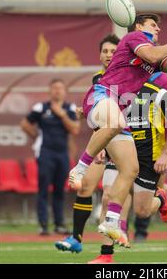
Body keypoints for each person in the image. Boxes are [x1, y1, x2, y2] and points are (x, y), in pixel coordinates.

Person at [68, 13, 167, 243]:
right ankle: (79, 169)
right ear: (139, 26)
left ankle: (112, 221)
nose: (157, 29)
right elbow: (152, 53)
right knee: (117, 123)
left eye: (158, 27)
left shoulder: (155, 64)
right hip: (102, 96)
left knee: (130, 170)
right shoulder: (135, 38)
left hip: (126, 128)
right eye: (153, 25)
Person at [55, 34, 133, 253]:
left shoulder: (128, 75)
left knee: (112, 194)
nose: (108, 55)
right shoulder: (98, 80)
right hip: (105, 140)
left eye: (112, 51)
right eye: (105, 51)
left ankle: (115, 237)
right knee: (85, 186)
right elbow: (102, 115)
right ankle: (76, 239)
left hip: (123, 139)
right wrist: (88, 117)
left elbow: (127, 112)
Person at [20, 78, 80, 235]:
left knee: (60, 189)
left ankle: (59, 224)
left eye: (60, 88)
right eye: (54, 88)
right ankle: (43, 225)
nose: (57, 91)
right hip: (45, 152)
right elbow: (25, 124)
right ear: (50, 91)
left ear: (65, 91)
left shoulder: (70, 108)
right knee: (43, 188)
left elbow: (75, 129)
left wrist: (62, 115)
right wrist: (37, 136)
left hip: (62, 153)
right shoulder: (41, 108)